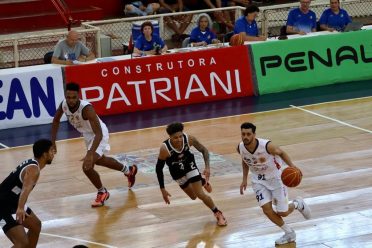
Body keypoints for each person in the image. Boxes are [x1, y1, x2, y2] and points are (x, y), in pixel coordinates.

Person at [51, 82, 138, 207]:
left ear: (78, 96)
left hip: (99, 134)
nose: (71, 100)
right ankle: (129, 170)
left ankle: (102, 192)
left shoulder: (87, 109)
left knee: (87, 166)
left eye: (74, 97)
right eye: (68, 97)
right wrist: (53, 141)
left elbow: (99, 134)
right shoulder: (64, 105)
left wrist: (90, 153)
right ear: (65, 96)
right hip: (88, 135)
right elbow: (55, 120)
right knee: (100, 160)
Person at [238, 122, 311, 245]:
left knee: (283, 212)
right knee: (266, 210)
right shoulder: (240, 147)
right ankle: (289, 233)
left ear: (254, 135)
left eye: (248, 134)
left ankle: (298, 204)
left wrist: (293, 167)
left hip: (276, 179)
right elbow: (245, 160)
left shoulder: (267, 146)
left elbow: (281, 153)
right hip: (258, 181)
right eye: (243, 134)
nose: (245, 137)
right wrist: (244, 179)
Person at [155, 122, 227, 226]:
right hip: (177, 172)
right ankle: (201, 181)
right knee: (193, 197)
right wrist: (162, 189)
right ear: (170, 137)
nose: (179, 139)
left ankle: (217, 213)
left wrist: (207, 167)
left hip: (189, 165)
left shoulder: (189, 139)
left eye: (180, 136)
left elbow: (204, 150)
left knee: (200, 194)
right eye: (175, 138)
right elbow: (158, 168)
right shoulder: (165, 148)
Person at [0, 139, 55, 247]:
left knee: (36, 226)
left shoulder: (33, 164)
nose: (54, 153)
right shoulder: (33, 169)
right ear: (44, 154)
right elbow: (26, 188)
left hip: (13, 202)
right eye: (52, 151)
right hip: (3, 205)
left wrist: (19, 206)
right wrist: (20, 208)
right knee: (22, 243)